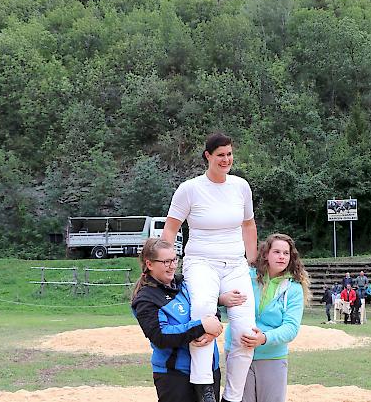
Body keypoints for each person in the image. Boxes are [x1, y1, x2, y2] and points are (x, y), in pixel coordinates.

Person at [162, 132, 257, 402]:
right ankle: (204, 389)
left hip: (235, 264)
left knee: (245, 332)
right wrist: (168, 263)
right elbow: (171, 227)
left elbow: (248, 225)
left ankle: (233, 397)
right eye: (220, 155)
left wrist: (252, 262)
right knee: (204, 313)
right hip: (201, 261)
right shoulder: (190, 189)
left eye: (229, 154)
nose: (226, 159)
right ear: (208, 156)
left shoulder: (241, 186)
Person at [131, 238, 223, 402]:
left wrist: (210, 332)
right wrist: (201, 326)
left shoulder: (185, 283)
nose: (173, 265)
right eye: (166, 261)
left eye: (174, 259)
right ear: (150, 264)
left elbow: (209, 309)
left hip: (208, 369)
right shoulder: (145, 299)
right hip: (174, 375)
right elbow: (161, 336)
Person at [224, 233, 309, 402]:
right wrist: (222, 300)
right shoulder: (246, 277)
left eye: (286, 253)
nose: (282, 257)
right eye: (277, 252)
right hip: (238, 350)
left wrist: (264, 338)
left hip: (272, 356)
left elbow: (291, 328)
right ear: (265, 254)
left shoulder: (294, 289)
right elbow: (227, 304)